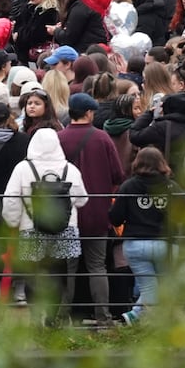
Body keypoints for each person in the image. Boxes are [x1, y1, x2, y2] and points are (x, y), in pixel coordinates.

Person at [1, 126, 88, 313]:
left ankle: (35, 316)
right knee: (59, 274)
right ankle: (53, 316)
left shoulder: (23, 168)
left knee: (33, 274)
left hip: (31, 228)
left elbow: (11, 199)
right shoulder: (69, 169)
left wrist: (13, 222)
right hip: (64, 230)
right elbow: (82, 200)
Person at [59, 92, 125, 324]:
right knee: (97, 266)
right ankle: (103, 318)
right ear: (88, 113)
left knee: (68, 269)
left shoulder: (59, 138)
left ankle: (62, 318)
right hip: (97, 212)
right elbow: (118, 174)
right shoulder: (102, 138)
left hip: (65, 216)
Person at [108, 146, 177, 324]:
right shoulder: (171, 186)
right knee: (162, 286)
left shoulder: (128, 186)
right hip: (165, 244)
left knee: (148, 287)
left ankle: (133, 318)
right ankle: (160, 323)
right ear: (162, 163)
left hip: (135, 244)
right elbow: (184, 213)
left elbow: (115, 218)